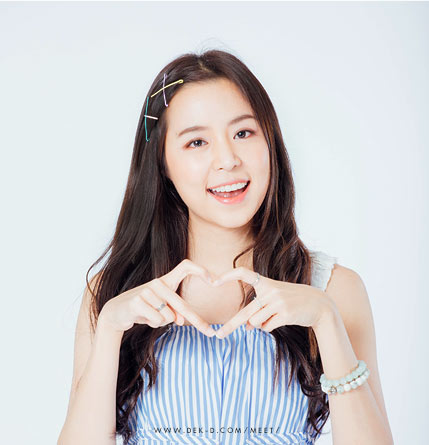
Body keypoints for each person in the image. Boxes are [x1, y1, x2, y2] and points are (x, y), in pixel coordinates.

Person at [58, 50, 393, 445]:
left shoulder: (333, 289)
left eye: (243, 133)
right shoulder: (112, 293)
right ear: (162, 164)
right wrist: (110, 329)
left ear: (270, 142)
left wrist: (326, 321)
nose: (228, 160)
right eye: (197, 142)